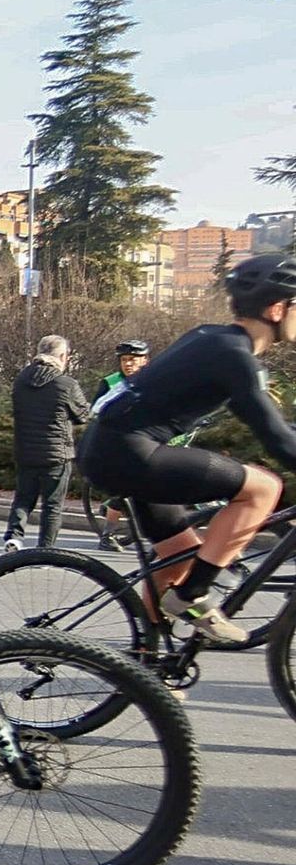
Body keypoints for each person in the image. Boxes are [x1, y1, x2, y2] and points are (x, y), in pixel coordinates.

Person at [77, 254, 296, 643]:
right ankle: (193, 596)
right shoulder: (236, 358)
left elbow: (275, 426)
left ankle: (150, 661)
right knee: (264, 488)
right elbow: (275, 438)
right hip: (131, 453)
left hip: (110, 448)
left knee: (177, 556)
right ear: (277, 309)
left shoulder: (211, 337)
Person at [3, 335, 89, 553]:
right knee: (52, 505)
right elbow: (82, 415)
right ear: (62, 356)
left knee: (23, 498)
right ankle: (45, 549)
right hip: (57, 453)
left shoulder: (21, 380)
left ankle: (14, 537)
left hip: (25, 450)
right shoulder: (66, 384)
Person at [93, 340, 151, 550]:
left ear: (145, 361)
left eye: (133, 360)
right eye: (124, 360)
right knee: (123, 489)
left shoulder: (153, 381)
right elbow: (96, 412)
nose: (128, 364)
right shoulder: (111, 382)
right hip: (117, 442)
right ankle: (107, 536)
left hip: (147, 441)